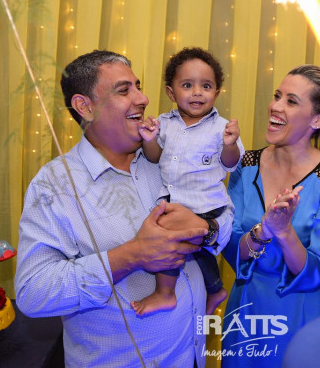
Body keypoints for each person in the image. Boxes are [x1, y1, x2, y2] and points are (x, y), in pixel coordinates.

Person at [14, 50, 233, 368]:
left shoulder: (165, 156)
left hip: (194, 355)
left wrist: (208, 229)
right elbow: (34, 292)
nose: (143, 99)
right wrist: (132, 256)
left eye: (138, 86)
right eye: (123, 90)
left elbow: (223, 209)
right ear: (85, 107)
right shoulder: (55, 185)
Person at [220, 65, 320, 368]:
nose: (275, 106)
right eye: (277, 95)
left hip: (302, 317)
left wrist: (283, 231)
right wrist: (262, 232)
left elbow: (318, 271)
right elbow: (230, 249)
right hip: (246, 314)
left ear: (318, 120)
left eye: (291, 101)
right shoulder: (246, 164)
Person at [132, 47, 244, 316]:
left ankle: (165, 293)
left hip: (207, 204)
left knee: (168, 237)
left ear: (216, 92)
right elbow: (154, 158)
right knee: (197, 250)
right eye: (187, 85)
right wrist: (149, 140)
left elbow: (230, 164)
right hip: (176, 201)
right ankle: (215, 288)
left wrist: (230, 145)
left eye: (206, 86)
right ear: (171, 93)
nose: (197, 92)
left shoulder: (220, 127)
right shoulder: (164, 123)